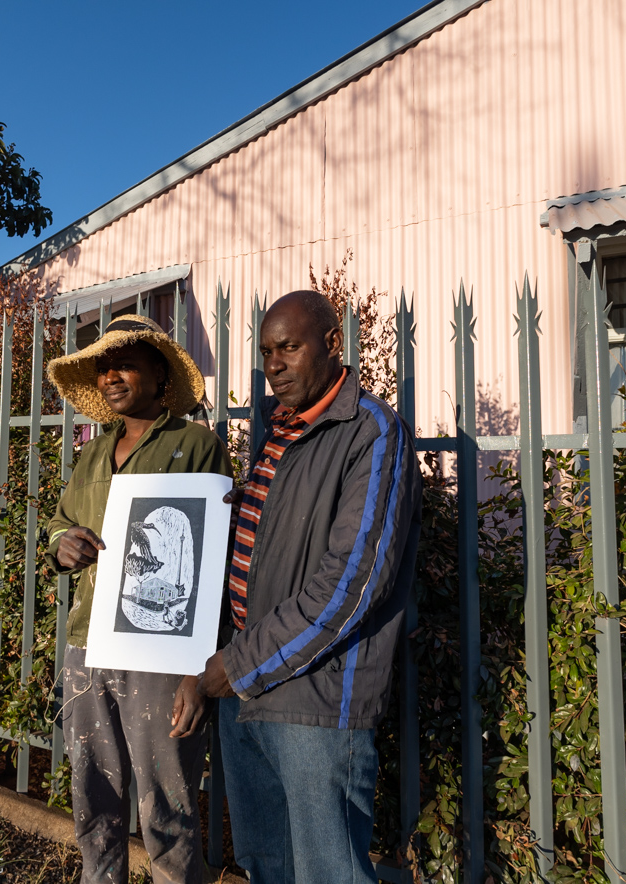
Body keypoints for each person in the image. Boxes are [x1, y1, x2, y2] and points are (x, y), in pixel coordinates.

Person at [198, 290, 423, 884]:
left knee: (327, 872)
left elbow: (351, 584)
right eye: (267, 351)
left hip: (315, 703)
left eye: (289, 347)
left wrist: (238, 664)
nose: (273, 364)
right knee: (264, 864)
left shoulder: (370, 431)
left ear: (331, 342)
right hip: (245, 689)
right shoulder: (279, 431)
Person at [45, 315, 232, 884]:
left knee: (167, 802)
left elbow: (215, 565)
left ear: (159, 372)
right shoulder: (92, 455)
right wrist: (62, 546)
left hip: (162, 651)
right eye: (103, 367)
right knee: (92, 790)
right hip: (86, 644)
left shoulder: (197, 446)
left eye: (125, 362)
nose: (112, 376)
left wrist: (194, 673)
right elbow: (60, 523)